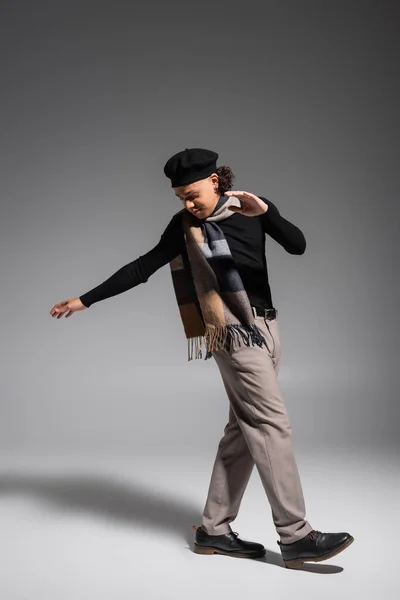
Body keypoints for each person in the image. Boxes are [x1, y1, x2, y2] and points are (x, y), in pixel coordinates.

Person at [49, 147, 354, 569]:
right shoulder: (184, 227)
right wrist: (86, 299)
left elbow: (297, 246)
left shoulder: (252, 209)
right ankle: (296, 535)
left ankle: (214, 529)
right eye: (180, 198)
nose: (188, 204)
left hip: (266, 326)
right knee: (270, 424)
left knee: (243, 429)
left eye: (192, 194)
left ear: (215, 180)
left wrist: (268, 212)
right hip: (230, 332)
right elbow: (142, 267)